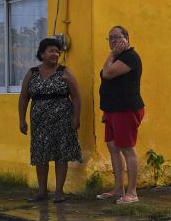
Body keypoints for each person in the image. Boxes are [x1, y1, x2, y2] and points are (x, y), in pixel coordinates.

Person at [18, 37, 83, 202]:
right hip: (39, 122)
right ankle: (42, 191)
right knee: (41, 154)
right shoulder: (31, 73)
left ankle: (59, 192)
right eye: (51, 51)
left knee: (61, 154)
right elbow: (24, 98)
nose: (55, 54)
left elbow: (76, 97)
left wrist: (76, 117)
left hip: (62, 121)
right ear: (42, 54)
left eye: (57, 51)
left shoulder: (65, 72)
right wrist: (22, 120)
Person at [98, 25, 144, 204]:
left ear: (127, 39)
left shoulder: (130, 57)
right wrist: (113, 56)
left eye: (117, 37)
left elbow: (107, 73)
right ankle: (118, 189)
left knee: (127, 148)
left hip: (126, 109)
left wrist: (111, 55)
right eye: (110, 38)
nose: (113, 41)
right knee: (113, 147)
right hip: (111, 109)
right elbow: (104, 73)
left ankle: (132, 192)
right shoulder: (118, 57)